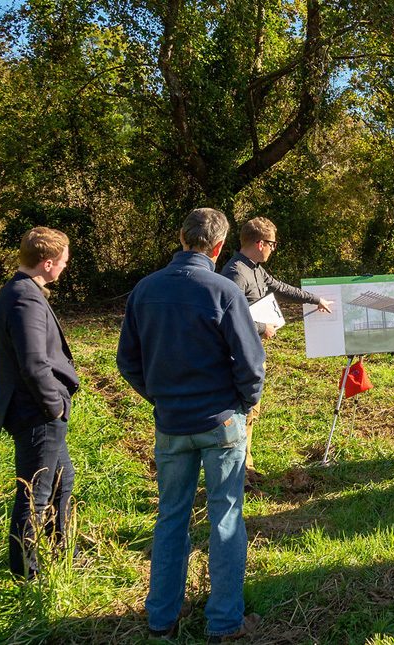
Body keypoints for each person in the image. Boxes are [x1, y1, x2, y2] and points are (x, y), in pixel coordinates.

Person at [117, 208, 266, 640]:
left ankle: (161, 617)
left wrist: (160, 396)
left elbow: (128, 360)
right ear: (218, 248)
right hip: (221, 422)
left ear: (181, 238)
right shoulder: (222, 291)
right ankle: (223, 621)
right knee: (225, 518)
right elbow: (251, 363)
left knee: (171, 518)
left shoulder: (145, 291)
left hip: (171, 424)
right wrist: (242, 402)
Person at [0, 227, 79, 580]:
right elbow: (33, 363)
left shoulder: (18, 291)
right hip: (36, 412)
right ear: (48, 262)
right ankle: (27, 573)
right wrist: (54, 406)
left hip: (35, 409)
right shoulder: (24, 299)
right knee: (34, 494)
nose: (65, 267)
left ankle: (59, 551)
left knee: (62, 479)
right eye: (64, 261)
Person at [221, 216, 332, 483]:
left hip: (254, 353)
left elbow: (281, 288)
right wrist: (262, 327)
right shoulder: (236, 273)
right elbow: (227, 317)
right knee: (241, 411)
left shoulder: (256, 269)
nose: (273, 248)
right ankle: (237, 473)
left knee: (252, 411)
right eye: (272, 244)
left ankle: (245, 465)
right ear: (260, 244)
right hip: (239, 356)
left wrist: (315, 299)